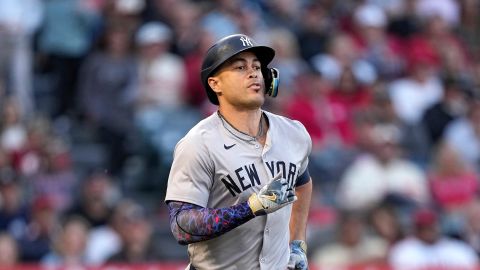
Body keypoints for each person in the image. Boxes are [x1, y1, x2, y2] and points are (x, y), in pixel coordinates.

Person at [165, 34, 313, 270]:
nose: (253, 73)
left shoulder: (294, 133)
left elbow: (303, 183)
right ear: (215, 84)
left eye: (257, 67)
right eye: (240, 67)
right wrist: (252, 206)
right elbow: (182, 226)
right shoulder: (198, 143)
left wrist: (297, 244)